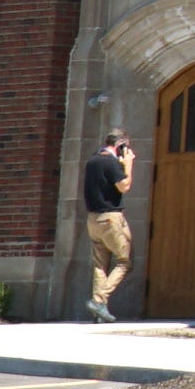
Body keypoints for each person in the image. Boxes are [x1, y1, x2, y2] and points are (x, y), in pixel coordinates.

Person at [82, 133, 134, 322]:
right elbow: (124, 186)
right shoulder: (111, 163)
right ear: (120, 145)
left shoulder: (92, 162)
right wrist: (128, 163)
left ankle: (99, 312)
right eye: (125, 147)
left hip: (93, 219)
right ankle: (99, 300)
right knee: (124, 261)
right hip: (111, 219)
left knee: (100, 265)